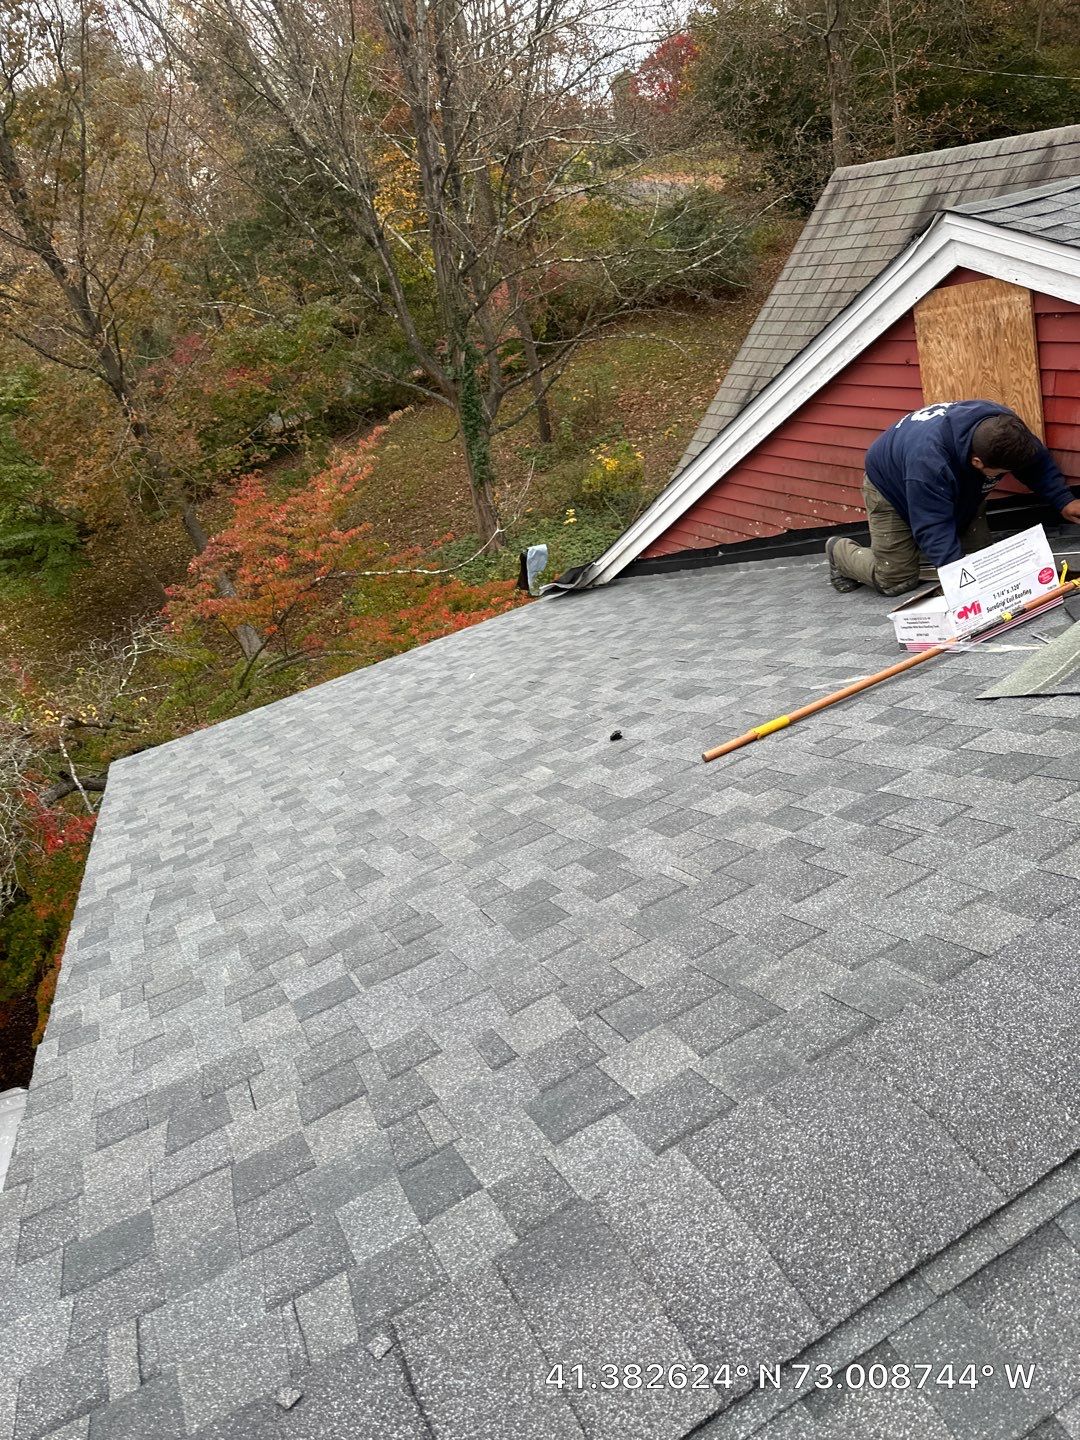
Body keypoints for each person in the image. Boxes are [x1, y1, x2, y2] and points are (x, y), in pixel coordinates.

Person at [825, 400, 1080, 595]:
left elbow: (1034, 462)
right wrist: (960, 584)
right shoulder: (929, 464)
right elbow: (932, 526)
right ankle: (839, 552)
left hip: (952, 485)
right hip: (890, 486)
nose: (1008, 475)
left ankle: (920, 554)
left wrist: (1063, 500)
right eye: (1003, 473)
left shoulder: (1006, 429)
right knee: (897, 579)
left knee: (985, 565)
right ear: (977, 460)